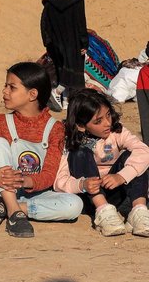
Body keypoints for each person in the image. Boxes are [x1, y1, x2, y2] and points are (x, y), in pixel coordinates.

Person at [0, 62, 83, 238]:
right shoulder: (2, 121)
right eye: (5, 86)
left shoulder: (55, 128)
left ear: (32, 94)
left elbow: (49, 174)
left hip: (37, 192)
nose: (4, 91)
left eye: (11, 87)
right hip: (6, 187)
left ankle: (9, 207)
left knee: (75, 205)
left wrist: (25, 181)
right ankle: (14, 215)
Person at [54, 89, 149, 237]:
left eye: (108, 115)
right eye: (98, 121)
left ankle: (139, 211)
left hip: (114, 190)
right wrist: (82, 184)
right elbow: (59, 181)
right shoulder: (69, 142)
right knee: (80, 152)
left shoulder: (117, 132)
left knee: (134, 157)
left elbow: (144, 151)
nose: (107, 123)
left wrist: (122, 176)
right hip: (88, 197)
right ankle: (104, 212)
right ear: (80, 125)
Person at [41, 0, 88, 111]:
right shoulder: (77, 2)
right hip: (72, 43)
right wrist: (84, 43)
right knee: (73, 71)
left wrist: (48, 44)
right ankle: (57, 92)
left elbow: (44, 26)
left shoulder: (49, 4)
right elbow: (81, 25)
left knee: (62, 69)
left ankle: (66, 101)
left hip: (56, 44)